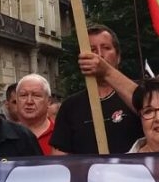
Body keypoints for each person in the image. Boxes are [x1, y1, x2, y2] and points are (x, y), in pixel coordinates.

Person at [49, 27, 143, 156]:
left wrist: (107, 72)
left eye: (106, 48)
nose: (99, 55)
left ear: (118, 56)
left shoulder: (140, 92)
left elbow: (146, 107)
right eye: (92, 50)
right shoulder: (71, 106)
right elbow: (60, 156)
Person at [13, 74, 55, 154]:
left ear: (49, 101)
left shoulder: (61, 135)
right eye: (23, 95)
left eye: (36, 96)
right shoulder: (5, 136)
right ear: (17, 100)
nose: (29, 101)